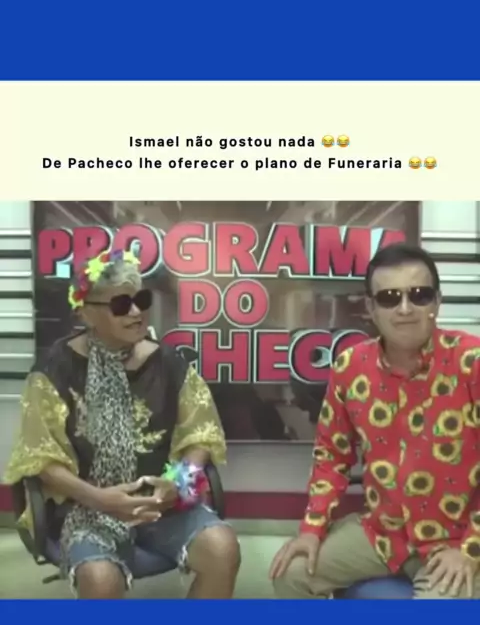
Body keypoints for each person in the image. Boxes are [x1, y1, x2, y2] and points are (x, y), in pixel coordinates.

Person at [4, 248, 240, 599]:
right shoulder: (54, 370)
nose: (135, 312)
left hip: (161, 505)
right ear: (86, 312)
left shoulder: (169, 364)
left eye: (141, 300)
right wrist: (100, 499)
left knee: (223, 548)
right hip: (84, 509)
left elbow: (201, 434)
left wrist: (178, 483)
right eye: (120, 305)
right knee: (101, 580)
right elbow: (40, 460)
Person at [270, 243, 480, 599]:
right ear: (370, 308)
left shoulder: (471, 361)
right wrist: (312, 529)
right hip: (384, 533)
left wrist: (471, 548)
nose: (405, 308)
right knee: (290, 575)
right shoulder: (350, 367)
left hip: (457, 537)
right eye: (389, 298)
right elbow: (331, 456)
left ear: (437, 302)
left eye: (419, 295)